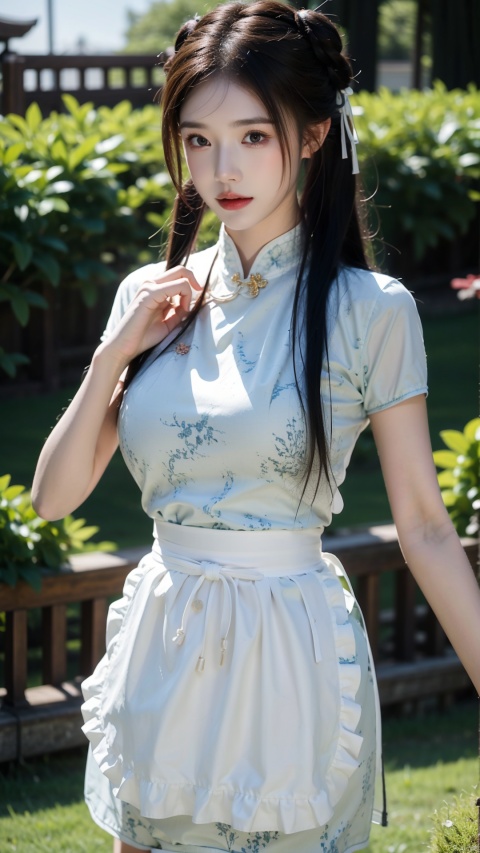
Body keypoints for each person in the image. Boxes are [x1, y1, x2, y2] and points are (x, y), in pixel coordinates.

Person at [32, 2, 480, 852]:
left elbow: (423, 525)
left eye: (252, 136)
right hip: (162, 644)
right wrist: (112, 357)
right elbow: (53, 498)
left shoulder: (368, 311)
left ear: (311, 137)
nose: (221, 167)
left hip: (286, 654)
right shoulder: (150, 299)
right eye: (197, 139)